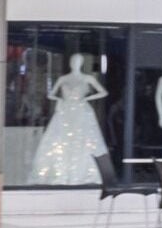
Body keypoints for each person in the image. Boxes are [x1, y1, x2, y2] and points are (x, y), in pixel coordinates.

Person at [27, 53, 110, 185]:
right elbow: (50, 94)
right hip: (65, 112)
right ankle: (61, 174)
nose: (74, 63)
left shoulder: (87, 78)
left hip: (81, 112)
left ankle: (81, 174)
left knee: (82, 141)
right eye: (73, 60)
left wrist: (87, 98)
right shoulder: (63, 78)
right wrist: (59, 99)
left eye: (77, 61)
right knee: (61, 140)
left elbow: (104, 92)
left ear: (81, 63)